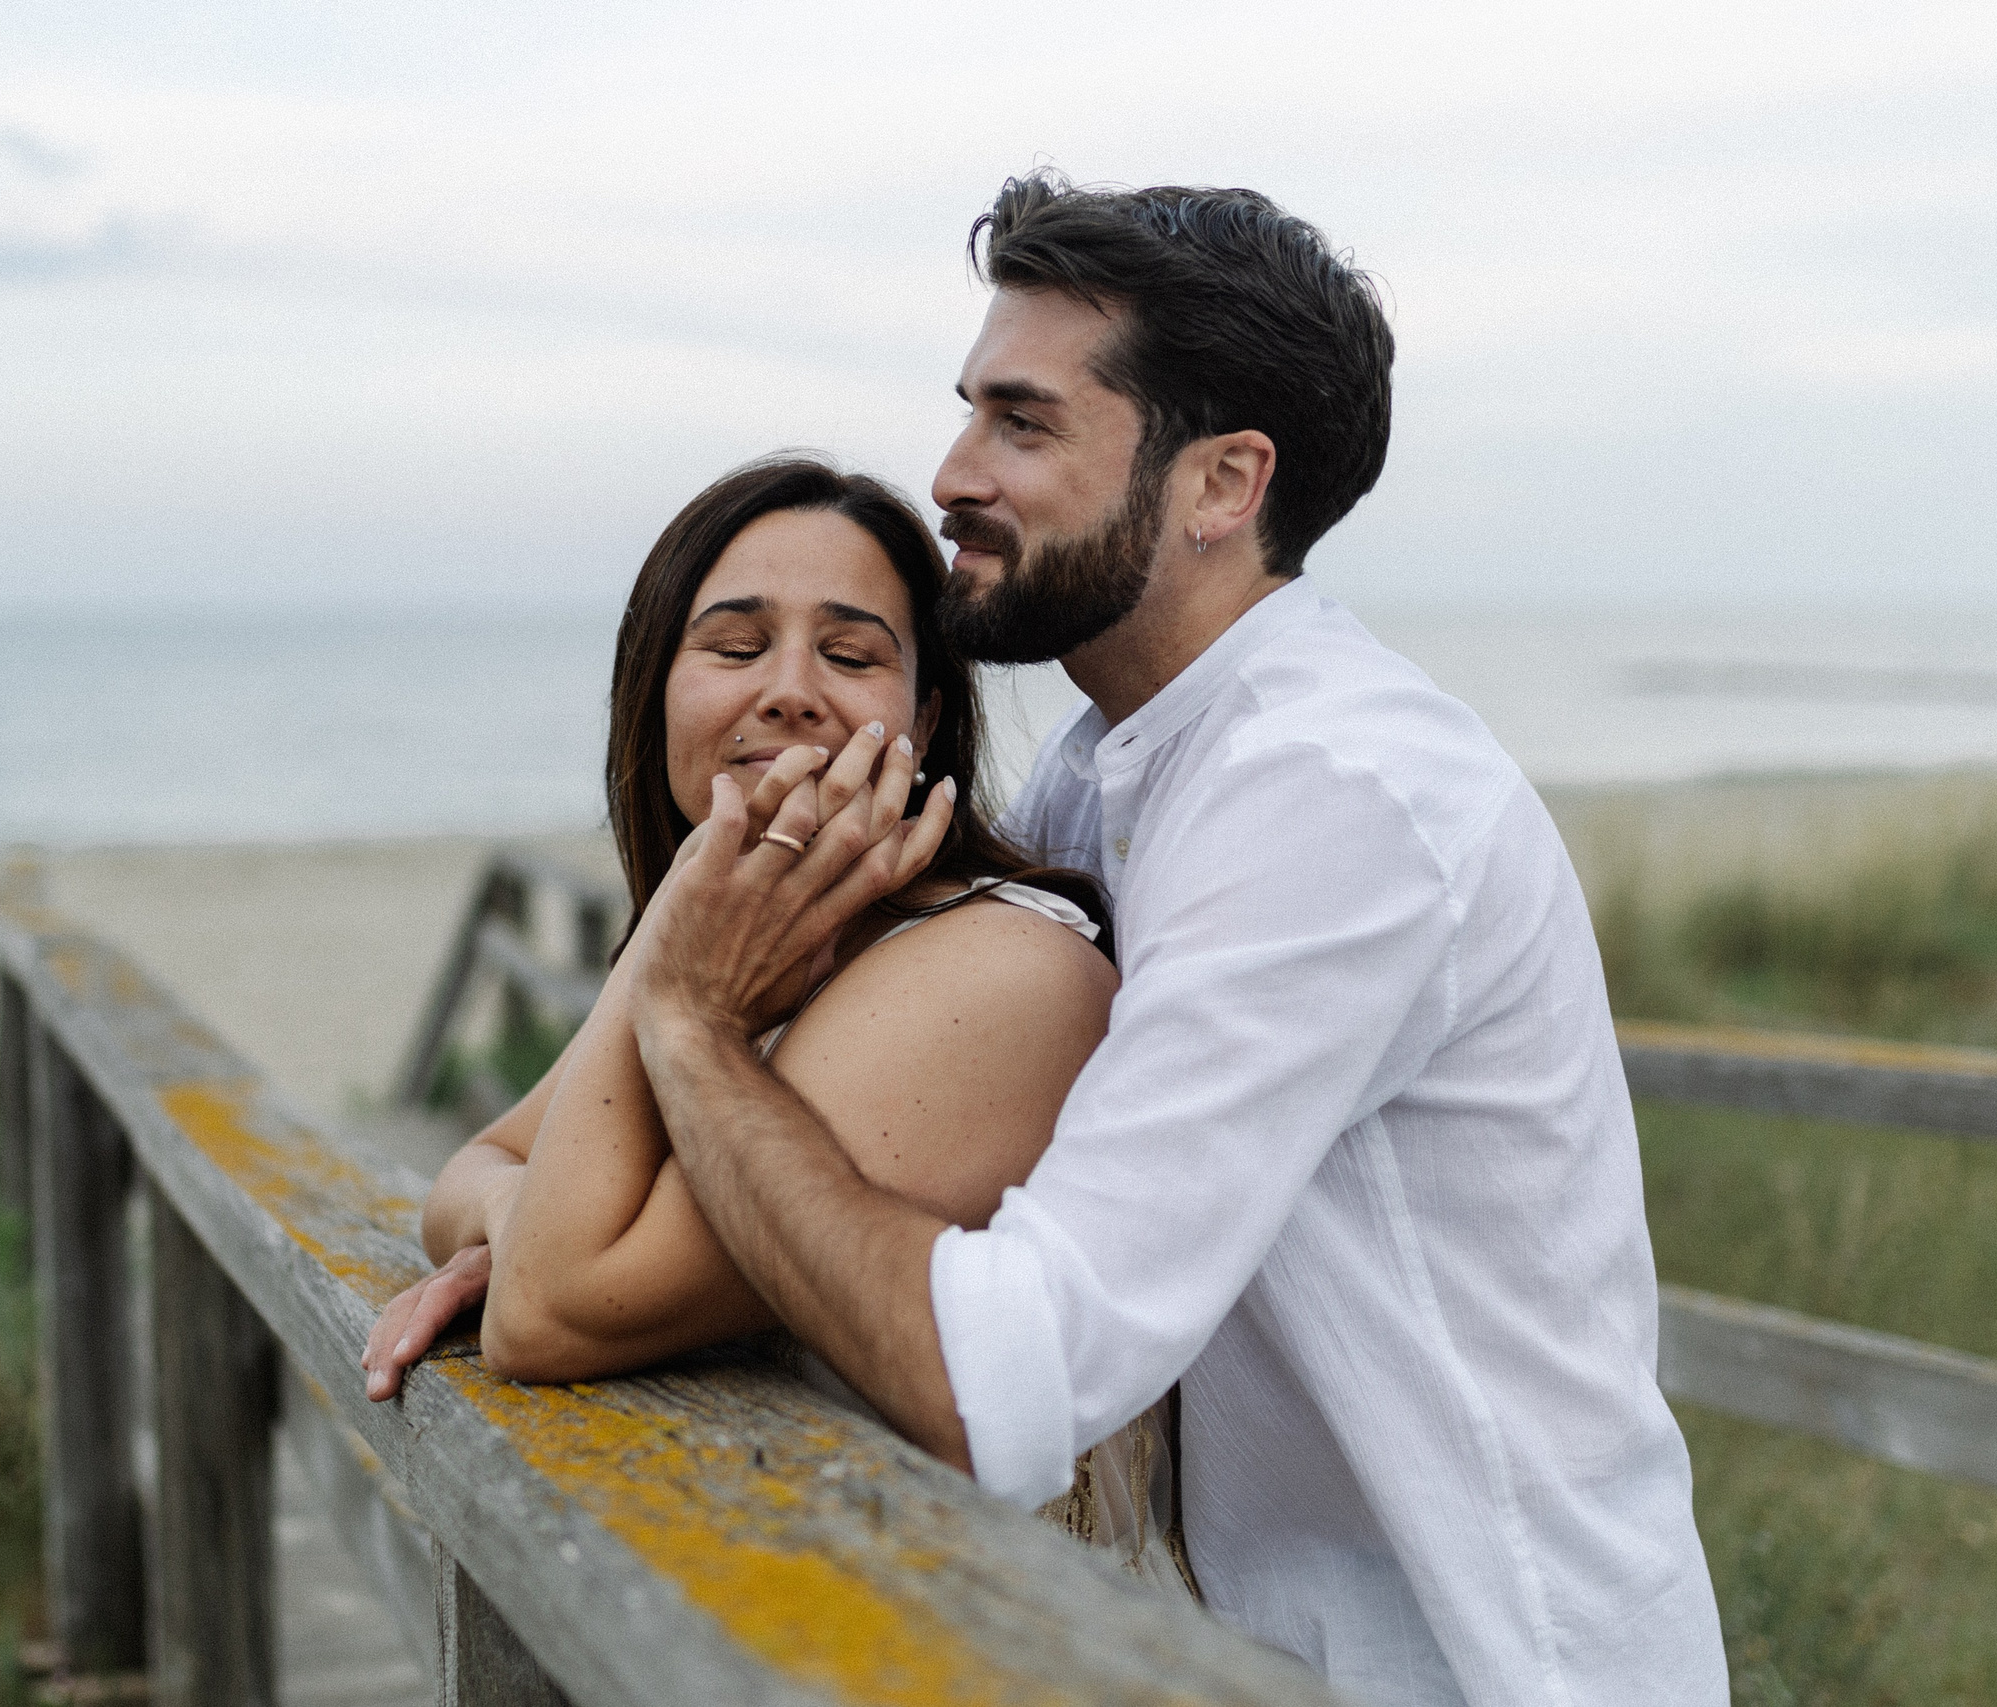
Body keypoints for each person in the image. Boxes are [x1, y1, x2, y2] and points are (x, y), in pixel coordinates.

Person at [598, 177, 1730, 1706]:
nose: (951, 474)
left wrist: (687, 1030)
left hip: (1487, 1664)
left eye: (1023, 423)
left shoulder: (1332, 797)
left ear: (1222, 482)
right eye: (968, 414)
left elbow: (1000, 1383)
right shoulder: (1111, 764)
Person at [365, 454, 1194, 1591]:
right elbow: (476, 1166)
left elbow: (549, 1312)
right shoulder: (735, 936)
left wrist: (663, 999)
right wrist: (526, 1212)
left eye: (851, 656)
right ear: (655, 693)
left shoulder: (1003, 971)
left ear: (924, 716)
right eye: (734, 647)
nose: (791, 692)